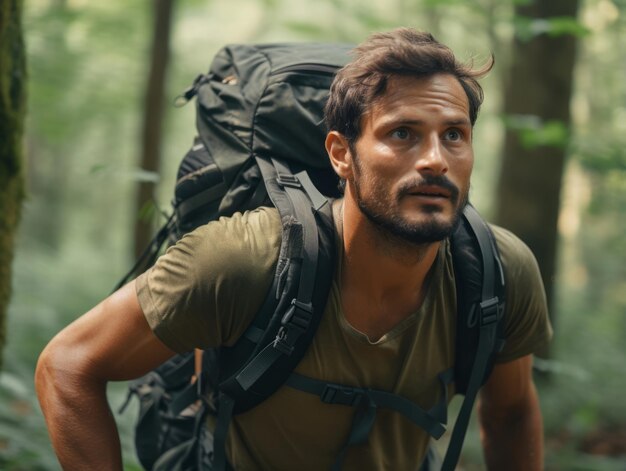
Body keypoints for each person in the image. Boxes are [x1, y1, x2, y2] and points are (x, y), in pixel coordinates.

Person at [35, 28, 552, 470]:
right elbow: (67, 366)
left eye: (455, 135)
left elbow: (510, 413)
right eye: (402, 133)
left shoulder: (496, 272)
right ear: (342, 154)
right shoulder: (244, 260)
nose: (436, 160)